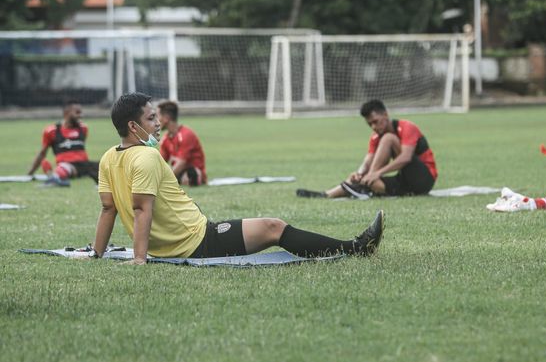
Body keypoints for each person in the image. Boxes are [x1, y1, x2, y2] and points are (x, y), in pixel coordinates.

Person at [91, 92, 384, 264]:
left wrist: (97, 253)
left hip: (180, 241)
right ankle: (356, 249)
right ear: (133, 125)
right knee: (274, 227)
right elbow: (142, 209)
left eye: (157, 117)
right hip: (196, 241)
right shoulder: (147, 155)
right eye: (151, 119)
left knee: (271, 227)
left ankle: (355, 247)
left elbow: (108, 209)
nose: (158, 124)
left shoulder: (108, 156)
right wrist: (140, 259)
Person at [296, 99, 438, 199]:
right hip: (406, 183)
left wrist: (376, 173)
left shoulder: (406, 127)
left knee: (388, 139)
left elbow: (405, 158)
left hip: (424, 179)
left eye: (376, 121)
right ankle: (326, 195)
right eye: (370, 124)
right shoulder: (376, 137)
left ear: (385, 115)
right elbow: (368, 159)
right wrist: (359, 173)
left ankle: (364, 186)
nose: (374, 127)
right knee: (373, 182)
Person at [27, 100, 99, 187]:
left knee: (105, 164)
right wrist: (30, 173)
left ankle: (53, 176)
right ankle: (54, 178)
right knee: (62, 167)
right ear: (66, 113)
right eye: (77, 112)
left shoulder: (83, 128)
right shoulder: (51, 131)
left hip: (85, 164)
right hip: (67, 165)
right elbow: (42, 154)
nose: (81, 115)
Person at [157, 100, 207, 186]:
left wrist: (164, 181)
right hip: (178, 173)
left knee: (187, 176)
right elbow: (160, 162)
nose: (156, 121)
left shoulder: (186, 135)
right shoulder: (165, 138)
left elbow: (181, 163)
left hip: (192, 172)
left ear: (166, 118)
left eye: (157, 116)